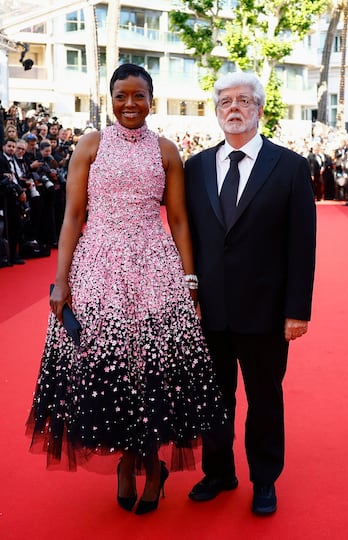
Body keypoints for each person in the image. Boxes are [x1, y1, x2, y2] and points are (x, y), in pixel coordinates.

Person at [26, 64, 230, 515]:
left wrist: (189, 280)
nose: (130, 104)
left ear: (151, 100)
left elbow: (177, 219)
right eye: (121, 96)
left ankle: (152, 463)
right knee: (108, 367)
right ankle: (126, 460)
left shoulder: (166, 151)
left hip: (155, 267)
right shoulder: (90, 144)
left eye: (139, 96)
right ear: (111, 99)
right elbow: (72, 216)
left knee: (155, 369)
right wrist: (62, 280)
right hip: (97, 266)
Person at [184, 71, 316, 515]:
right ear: (217, 111)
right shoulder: (196, 166)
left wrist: (297, 311)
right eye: (225, 101)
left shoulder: (291, 167)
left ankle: (264, 480)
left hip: (265, 311)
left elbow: (303, 245)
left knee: (264, 399)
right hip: (210, 313)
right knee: (214, 398)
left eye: (243, 100)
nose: (234, 108)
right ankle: (219, 472)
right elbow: (191, 237)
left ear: (259, 109)